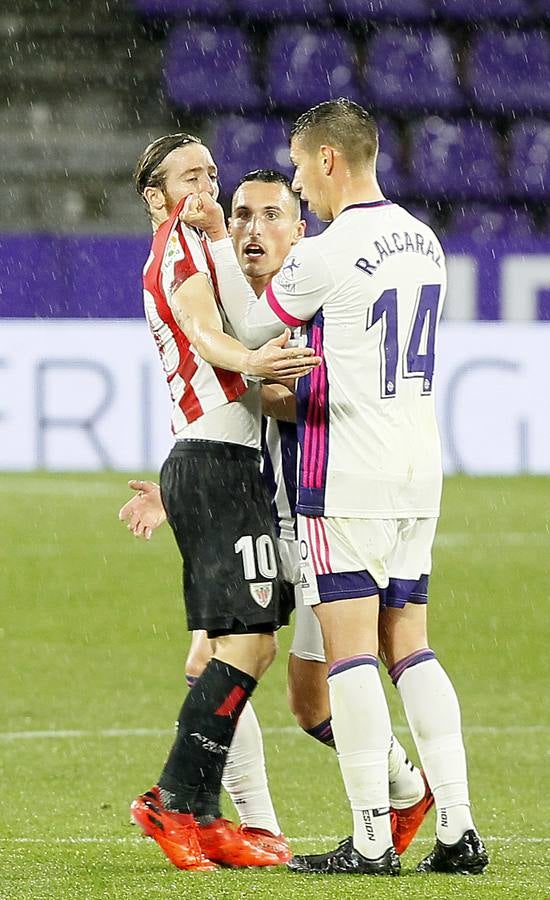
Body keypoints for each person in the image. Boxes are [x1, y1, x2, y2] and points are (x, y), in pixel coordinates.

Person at [182, 99, 489, 877]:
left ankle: (371, 838)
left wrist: (215, 251)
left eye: (297, 165)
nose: (296, 184)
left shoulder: (328, 249)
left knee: (350, 654)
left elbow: (253, 333)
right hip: (418, 465)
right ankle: (457, 827)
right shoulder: (424, 241)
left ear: (328, 160)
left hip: (345, 467)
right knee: (411, 646)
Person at [122, 168, 435, 859]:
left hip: (325, 519)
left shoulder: (322, 301)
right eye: (239, 216)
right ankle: (259, 822)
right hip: (266, 516)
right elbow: (233, 426)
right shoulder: (241, 317)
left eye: (270, 215)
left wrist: (258, 378)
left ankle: (407, 795)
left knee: (309, 695)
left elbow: (300, 403)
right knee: (219, 657)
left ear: (301, 228)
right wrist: (179, 495)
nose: (251, 230)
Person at [128, 135, 321, 872]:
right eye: (189, 177)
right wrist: (254, 361)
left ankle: (203, 813)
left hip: (216, 462)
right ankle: (175, 801)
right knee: (248, 644)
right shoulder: (176, 246)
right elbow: (209, 333)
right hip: (216, 461)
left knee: (240, 643)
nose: (206, 187)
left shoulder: (195, 242)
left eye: (211, 174)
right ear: (156, 195)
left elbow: (236, 328)